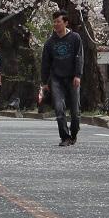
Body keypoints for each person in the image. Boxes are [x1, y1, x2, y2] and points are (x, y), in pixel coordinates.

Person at [40, 11, 84, 147]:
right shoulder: (49, 43)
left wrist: (78, 75)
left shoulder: (75, 38)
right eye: (54, 22)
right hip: (56, 78)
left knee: (75, 111)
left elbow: (79, 58)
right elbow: (45, 63)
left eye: (58, 21)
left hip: (72, 77)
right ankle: (64, 136)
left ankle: (74, 133)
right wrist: (44, 82)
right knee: (59, 108)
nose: (56, 24)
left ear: (65, 23)